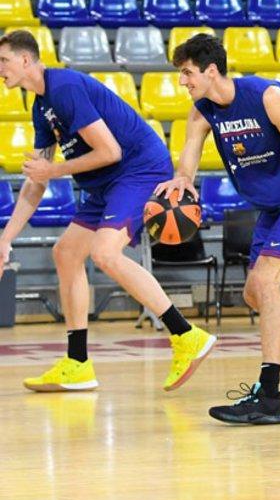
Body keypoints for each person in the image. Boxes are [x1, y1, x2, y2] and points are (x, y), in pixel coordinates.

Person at [0, 30, 215, 393]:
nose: (0, 69)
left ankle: (185, 334)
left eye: (3, 61)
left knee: (104, 253)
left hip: (137, 169)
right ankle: (78, 363)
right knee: (66, 253)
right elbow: (36, 184)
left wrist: (53, 171)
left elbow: (110, 151)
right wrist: (5, 240)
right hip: (104, 182)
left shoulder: (64, 87)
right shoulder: (40, 107)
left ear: (25, 60)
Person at [162, 34, 280, 425]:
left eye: (187, 73)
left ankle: (268, 396)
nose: (183, 82)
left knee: (266, 284)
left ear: (211, 70)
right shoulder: (202, 112)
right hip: (271, 206)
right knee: (255, 293)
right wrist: (182, 179)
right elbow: (188, 159)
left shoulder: (267, 97)